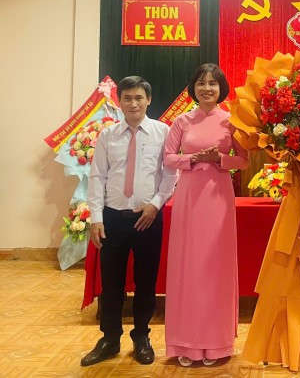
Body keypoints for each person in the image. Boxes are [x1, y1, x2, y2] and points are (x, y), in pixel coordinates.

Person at [82, 76, 178, 366]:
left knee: (146, 281)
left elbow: (171, 174)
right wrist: (96, 218)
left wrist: (155, 205)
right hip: (112, 218)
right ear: (120, 101)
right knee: (111, 283)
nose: (133, 103)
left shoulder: (163, 132)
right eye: (127, 98)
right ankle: (110, 339)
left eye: (138, 97)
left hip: (148, 218)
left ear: (149, 100)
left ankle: (141, 337)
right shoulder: (107, 135)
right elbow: (97, 176)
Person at [163, 63, 249, 367]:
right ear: (193, 87)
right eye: (201, 82)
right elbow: (168, 158)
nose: (207, 88)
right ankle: (184, 343)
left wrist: (220, 159)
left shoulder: (231, 121)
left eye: (213, 83)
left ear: (221, 88)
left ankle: (216, 344)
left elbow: (244, 160)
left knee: (215, 268)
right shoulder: (181, 121)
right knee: (187, 267)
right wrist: (191, 159)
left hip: (218, 199)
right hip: (188, 197)